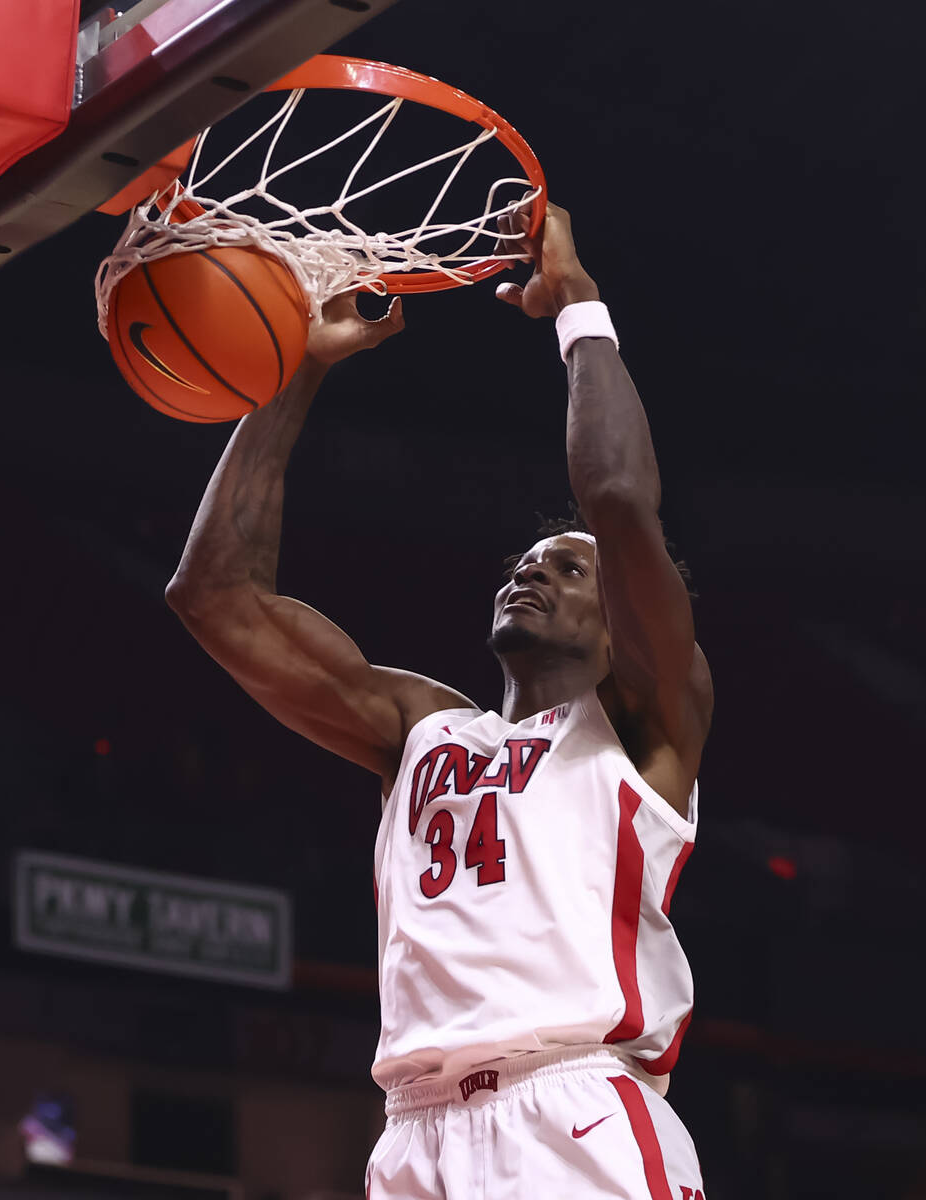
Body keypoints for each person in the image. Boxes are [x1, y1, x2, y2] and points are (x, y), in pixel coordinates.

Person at [165, 201, 713, 1200]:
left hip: (574, 1107)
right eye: (521, 561)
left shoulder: (644, 721)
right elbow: (217, 601)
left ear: (617, 626)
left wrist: (577, 307)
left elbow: (618, 499)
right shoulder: (422, 728)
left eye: (567, 570)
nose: (532, 572)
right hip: (415, 1133)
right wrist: (295, 370)